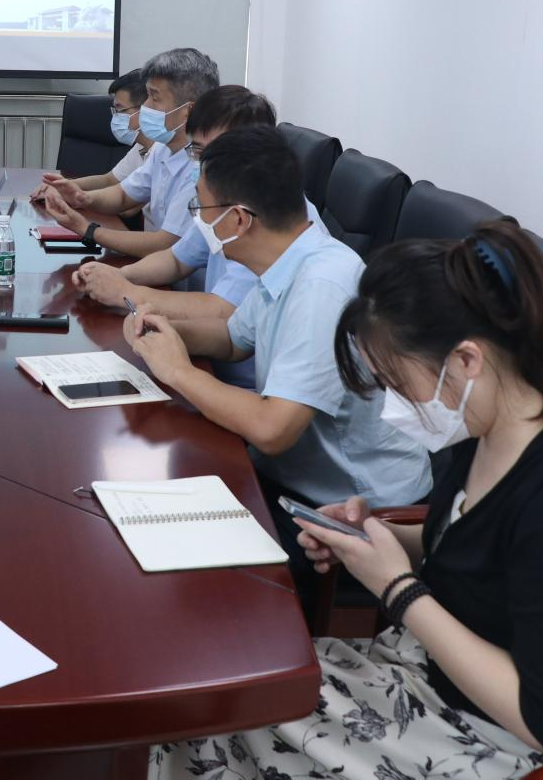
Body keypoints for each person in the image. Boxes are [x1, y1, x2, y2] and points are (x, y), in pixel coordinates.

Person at [152, 221, 543, 778]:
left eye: (399, 384)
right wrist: (375, 535)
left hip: (515, 744)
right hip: (429, 673)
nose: (394, 406)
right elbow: (477, 547)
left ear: (467, 361)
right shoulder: (492, 424)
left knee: (213, 710)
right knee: (211, 681)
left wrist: (397, 587)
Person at [123, 127, 429, 573]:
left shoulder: (322, 286)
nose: (198, 222)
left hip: (352, 511)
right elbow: (233, 338)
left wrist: (179, 372)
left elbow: (272, 429)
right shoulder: (287, 259)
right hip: (292, 477)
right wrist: (167, 333)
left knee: (169, 561)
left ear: (238, 219)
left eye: (201, 209)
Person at [74, 86, 293, 389]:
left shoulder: (269, 225)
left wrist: (127, 293)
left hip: (241, 387)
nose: (197, 164)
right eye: (195, 151)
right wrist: (116, 277)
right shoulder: (223, 205)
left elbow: (222, 309)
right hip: (210, 364)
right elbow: (177, 259)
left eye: (205, 153)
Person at [39, 48, 219, 258]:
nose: (145, 106)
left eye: (154, 97)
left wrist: (88, 230)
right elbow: (123, 195)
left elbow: (165, 245)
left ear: (188, 110)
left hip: (177, 274)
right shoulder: (163, 148)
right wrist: (82, 198)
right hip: (155, 266)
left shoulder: (200, 167)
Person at [28, 69, 152, 202]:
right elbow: (109, 179)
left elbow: (128, 206)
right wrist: (62, 186)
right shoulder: (140, 147)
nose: (115, 117)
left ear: (146, 109)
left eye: (120, 109)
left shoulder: (160, 153)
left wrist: (76, 197)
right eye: (114, 110)